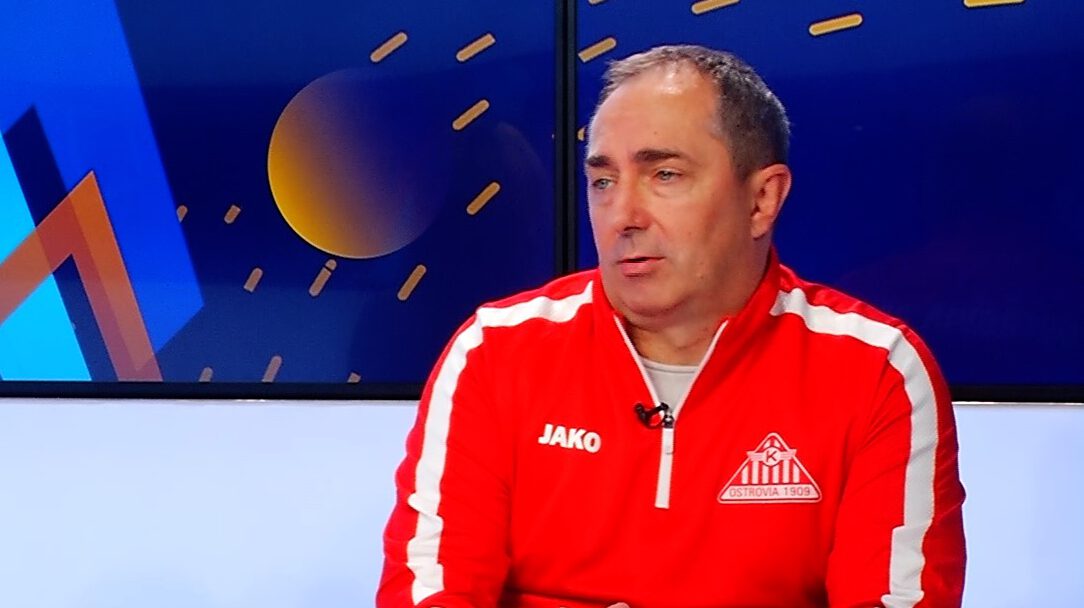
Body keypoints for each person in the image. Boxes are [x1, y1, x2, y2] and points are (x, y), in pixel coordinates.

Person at [377, 45, 966, 608]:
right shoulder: (494, 352)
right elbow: (430, 589)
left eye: (664, 175)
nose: (623, 216)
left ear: (762, 199)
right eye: (603, 181)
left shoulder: (875, 372)